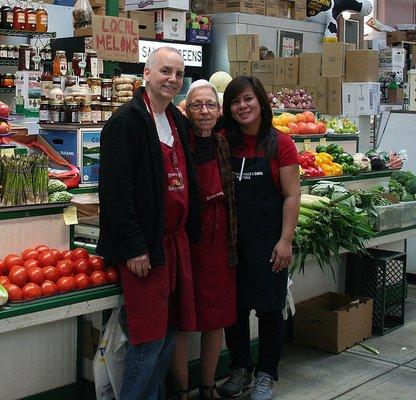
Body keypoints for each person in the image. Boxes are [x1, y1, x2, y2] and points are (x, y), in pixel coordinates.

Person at [96, 46, 200, 400]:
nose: (172, 79)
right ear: (147, 73)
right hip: (146, 248)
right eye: (165, 71)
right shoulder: (126, 122)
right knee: (148, 336)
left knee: (171, 329)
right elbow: (115, 191)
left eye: (177, 73)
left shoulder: (177, 121)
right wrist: (134, 245)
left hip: (175, 242)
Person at [219, 76, 300, 400]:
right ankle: (241, 368)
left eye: (248, 99)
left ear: (261, 102)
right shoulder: (224, 139)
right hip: (232, 241)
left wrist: (285, 240)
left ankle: (266, 373)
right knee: (233, 309)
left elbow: (292, 196)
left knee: (269, 309)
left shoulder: (281, 143)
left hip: (268, 240)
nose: (242, 106)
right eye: (236, 101)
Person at [170, 80, 238, 400]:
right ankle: (182, 389)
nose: (204, 112)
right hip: (186, 240)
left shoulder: (226, 145)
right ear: (186, 110)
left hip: (220, 242)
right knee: (181, 319)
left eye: (210, 105)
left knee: (217, 316)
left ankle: (208, 385)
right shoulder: (178, 145)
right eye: (196, 105)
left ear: (220, 111)